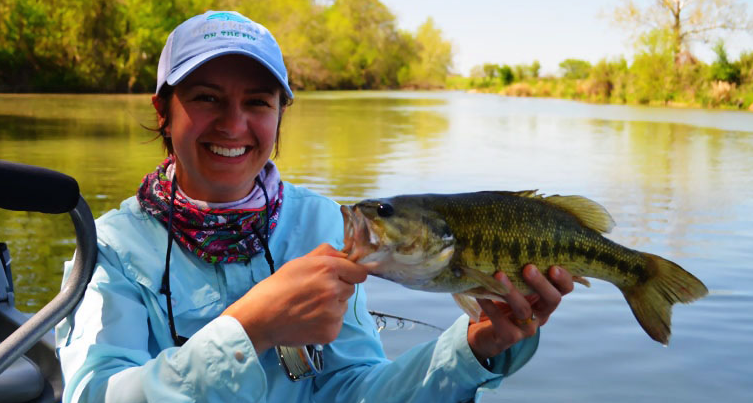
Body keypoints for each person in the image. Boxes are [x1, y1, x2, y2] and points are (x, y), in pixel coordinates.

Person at [55, 10, 574, 403]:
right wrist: (250, 328)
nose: (233, 125)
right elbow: (95, 393)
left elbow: (354, 389)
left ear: (280, 116)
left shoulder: (324, 224)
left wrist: (475, 347)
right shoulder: (110, 248)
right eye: (207, 97)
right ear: (163, 112)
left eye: (258, 102)